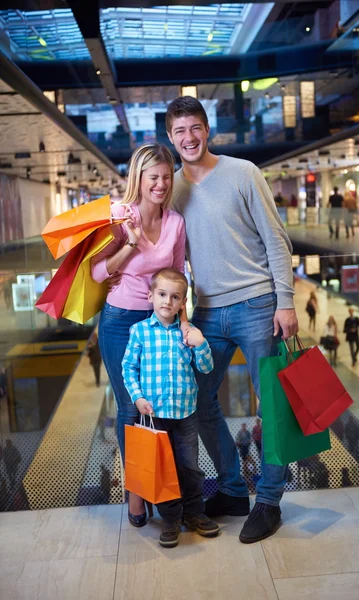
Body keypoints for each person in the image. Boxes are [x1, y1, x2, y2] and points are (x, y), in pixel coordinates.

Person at [166, 96, 299, 544]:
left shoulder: (244, 173)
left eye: (195, 127)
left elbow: (277, 241)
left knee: (272, 405)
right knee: (199, 401)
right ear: (170, 137)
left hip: (258, 304)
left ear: (208, 129)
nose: (189, 137)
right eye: (180, 131)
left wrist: (286, 301)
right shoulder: (175, 190)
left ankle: (269, 501)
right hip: (206, 311)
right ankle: (233, 488)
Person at [91, 143, 186, 527]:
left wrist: (182, 322)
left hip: (159, 325)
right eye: (153, 177)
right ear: (139, 178)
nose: (161, 184)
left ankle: (162, 487)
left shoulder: (176, 222)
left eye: (166, 177)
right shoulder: (119, 214)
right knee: (130, 406)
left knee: (157, 406)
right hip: (119, 322)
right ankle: (135, 495)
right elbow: (99, 272)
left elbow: (179, 277)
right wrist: (129, 242)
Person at [122, 268, 219, 548]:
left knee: (190, 467)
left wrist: (200, 345)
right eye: (162, 294)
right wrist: (138, 397)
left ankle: (194, 513)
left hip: (185, 414)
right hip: (155, 417)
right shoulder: (140, 331)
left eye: (175, 297)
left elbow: (206, 367)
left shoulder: (187, 332)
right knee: (163, 469)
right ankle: (171, 518)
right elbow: (129, 368)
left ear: (183, 303)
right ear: (150, 295)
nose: (167, 301)